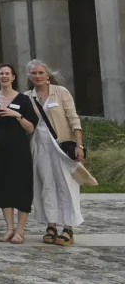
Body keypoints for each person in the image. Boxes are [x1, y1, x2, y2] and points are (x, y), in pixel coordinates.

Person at [26, 59, 89, 247]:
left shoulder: (60, 93)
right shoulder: (27, 96)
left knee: (65, 184)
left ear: (48, 75)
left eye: (40, 73)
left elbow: (73, 119)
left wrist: (79, 145)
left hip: (61, 145)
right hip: (39, 145)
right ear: (29, 76)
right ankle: (51, 225)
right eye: (33, 73)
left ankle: (68, 227)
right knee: (46, 184)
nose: (37, 76)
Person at [0, 62, 38, 244]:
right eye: (1, 73)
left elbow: (31, 128)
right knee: (2, 188)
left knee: (21, 188)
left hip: (18, 150)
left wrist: (17, 116)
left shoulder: (23, 100)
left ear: (13, 77)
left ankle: (20, 231)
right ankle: (9, 229)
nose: (4, 76)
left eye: (7, 73)